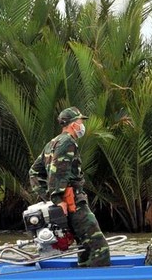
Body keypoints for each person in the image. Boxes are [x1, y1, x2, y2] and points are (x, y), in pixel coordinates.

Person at [29, 107, 111, 267]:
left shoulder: (51, 143)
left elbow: (34, 173)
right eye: (80, 121)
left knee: (85, 247)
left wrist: (48, 197)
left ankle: (83, 276)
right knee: (98, 247)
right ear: (73, 124)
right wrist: (58, 199)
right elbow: (58, 172)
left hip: (67, 204)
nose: (82, 125)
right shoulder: (67, 142)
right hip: (74, 204)